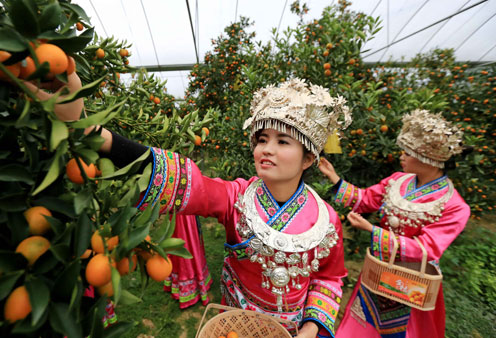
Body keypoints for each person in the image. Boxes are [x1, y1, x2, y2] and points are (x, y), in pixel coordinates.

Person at [27, 74, 351, 337]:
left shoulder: (327, 219)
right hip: (234, 328)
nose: (266, 149)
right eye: (262, 139)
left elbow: (329, 278)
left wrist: (310, 328)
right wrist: (97, 135)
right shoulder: (236, 199)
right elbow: (186, 182)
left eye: (282, 142)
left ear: (309, 157)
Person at [319, 109, 470, 338]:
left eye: (407, 152)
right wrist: (334, 178)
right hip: (376, 274)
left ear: (428, 158)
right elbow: (366, 199)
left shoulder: (455, 206)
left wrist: (373, 231)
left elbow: (427, 250)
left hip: (413, 284)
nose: (401, 156)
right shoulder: (397, 181)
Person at [163, 215, 213, 309]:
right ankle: (187, 285)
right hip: (181, 214)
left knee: (189, 243)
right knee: (184, 242)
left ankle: (191, 283)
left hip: (187, 212)